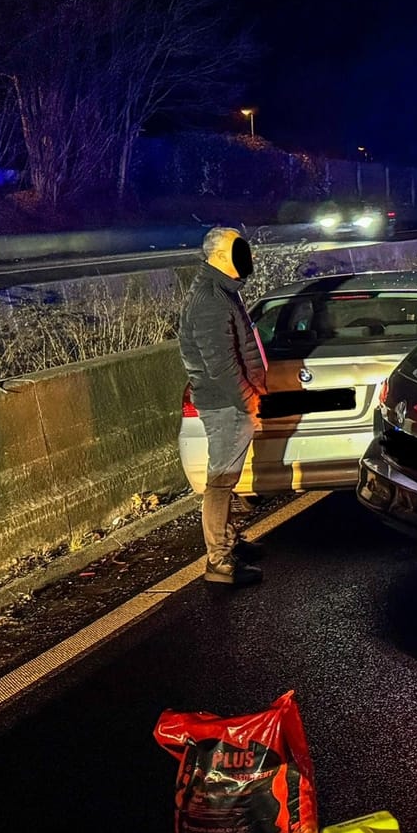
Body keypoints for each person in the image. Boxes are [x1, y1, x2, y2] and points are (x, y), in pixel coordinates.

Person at [179, 227, 268, 587]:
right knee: (220, 482)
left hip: (229, 402)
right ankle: (219, 561)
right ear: (219, 257)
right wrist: (248, 402)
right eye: (240, 250)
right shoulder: (211, 300)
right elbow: (221, 364)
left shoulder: (220, 291)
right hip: (226, 405)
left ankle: (229, 543)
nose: (249, 258)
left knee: (225, 480)